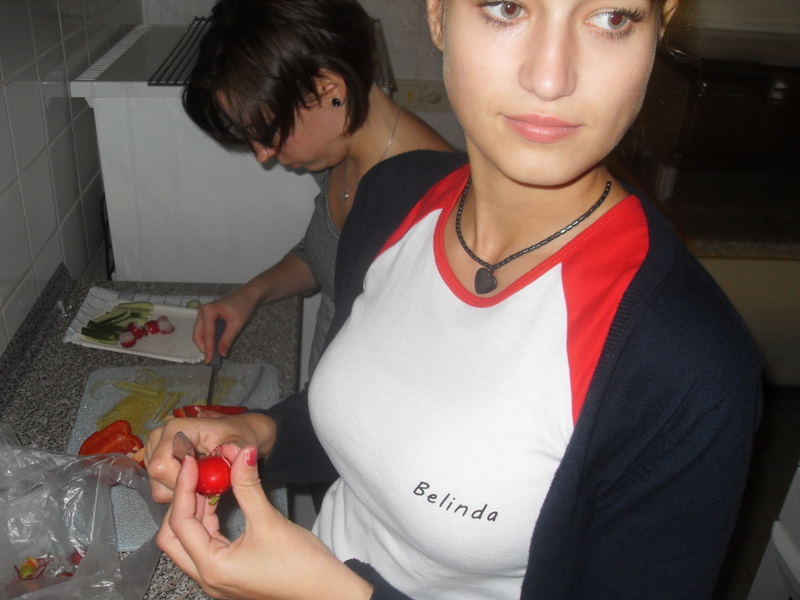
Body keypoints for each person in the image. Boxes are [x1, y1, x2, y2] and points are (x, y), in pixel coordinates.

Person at [145, 0, 763, 598]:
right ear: (438, 15)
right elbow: (369, 416)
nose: (551, 77)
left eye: (611, 17)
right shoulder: (391, 198)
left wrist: (330, 593)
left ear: (658, 30)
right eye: (506, 7)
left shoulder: (690, 362)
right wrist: (258, 433)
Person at [184, 0, 453, 377]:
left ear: (329, 90)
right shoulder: (340, 154)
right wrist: (249, 295)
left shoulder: (432, 211)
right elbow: (321, 256)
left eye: (266, 133)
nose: (262, 155)